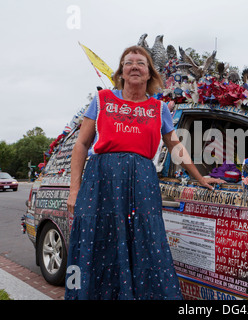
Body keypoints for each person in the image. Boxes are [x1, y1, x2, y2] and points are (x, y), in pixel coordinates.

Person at [65, 45, 224, 300]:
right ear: (121, 72)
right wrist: (75, 190)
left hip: (141, 181)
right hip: (101, 180)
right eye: (129, 62)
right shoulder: (102, 99)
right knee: (98, 241)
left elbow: (175, 146)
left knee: (146, 240)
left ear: (149, 73)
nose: (135, 66)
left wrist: (200, 176)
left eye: (141, 63)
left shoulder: (159, 109)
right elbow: (82, 144)